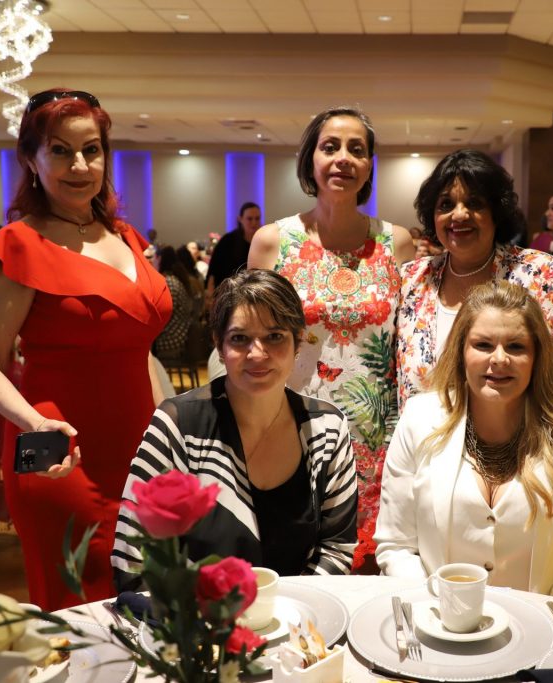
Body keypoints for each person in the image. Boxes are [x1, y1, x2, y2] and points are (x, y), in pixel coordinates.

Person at [0, 88, 171, 610]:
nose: (79, 166)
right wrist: (36, 425)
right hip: (59, 450)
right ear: (31, 160)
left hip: (140, 447)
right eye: (59, 151)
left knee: (147, 601)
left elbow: (140, 349)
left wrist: (170, 429)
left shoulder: (124, 236)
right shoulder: (19, 243)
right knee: (79, 605)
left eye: (91, 150)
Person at [112, 270, 357, 589]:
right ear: (219, 344)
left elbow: (336, 548)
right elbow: (134, 554)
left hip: (299, 614)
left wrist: (289, 610)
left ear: (298, 341)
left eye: (274, 336)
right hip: (195, 614)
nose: (257, 354)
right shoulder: (179, 425)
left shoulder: (327, 428)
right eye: (240, 338)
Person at [248, 106, 415, 570]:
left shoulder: (396, 243)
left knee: (371, 570)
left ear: (369, 166)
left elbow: (409, 342)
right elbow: (250, 340)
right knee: (293, 563)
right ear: (311, 160)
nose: (343, 158)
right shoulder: (272, 242)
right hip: (293, 429)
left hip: (379, 439)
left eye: (356, 150)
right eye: (330, 147)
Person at [375, 282, 553, 601]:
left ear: (537, 357)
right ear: (461, 352)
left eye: (516, 347)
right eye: (483, 345)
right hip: (435, 618)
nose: (499, 359)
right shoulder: (419, 418)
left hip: (541, 625)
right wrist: (439, 610)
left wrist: (546, 618)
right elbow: (396, 546)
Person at [396, 149, 553, 415]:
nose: (459, 214)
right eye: (446, 204)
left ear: (496, 212)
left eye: (475, 203)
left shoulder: (543, 274)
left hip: (528, 440)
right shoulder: (412, 281)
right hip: (427, 440)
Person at [207, 202, 262, 294]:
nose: (254, 222)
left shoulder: (263, 241)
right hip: (228, 291)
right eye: (249, 219)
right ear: (240, 219)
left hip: (255, 292)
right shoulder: (227, 240)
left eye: (257, 218)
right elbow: (213, 269)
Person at [152, 245, 193, 362]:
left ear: (159, 259)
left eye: (153, 258)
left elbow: (163, 316)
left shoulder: (169, 283)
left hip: (170, 339)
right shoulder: (175, 279)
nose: (152, 262)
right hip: (177, 336)